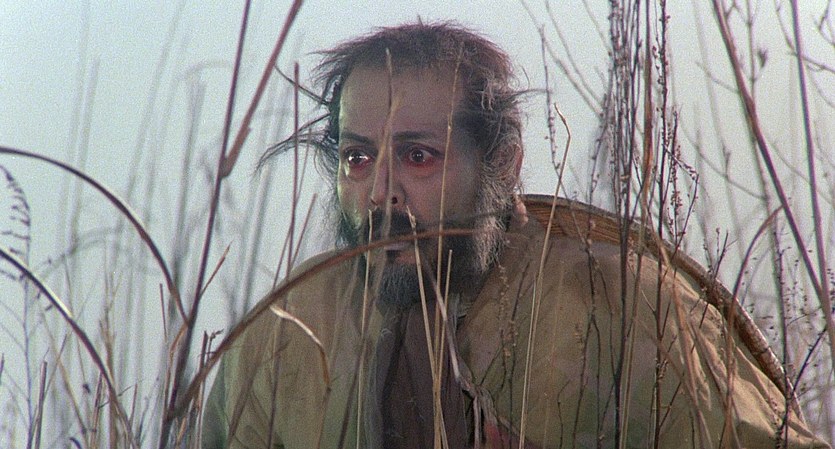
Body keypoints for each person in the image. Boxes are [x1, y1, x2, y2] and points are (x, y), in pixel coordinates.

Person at [202, 22, 829, 448]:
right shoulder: (283, 335)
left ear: (501, 164)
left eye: (418, 157)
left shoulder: (624, 307)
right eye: (357, 158)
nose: (379, 193)